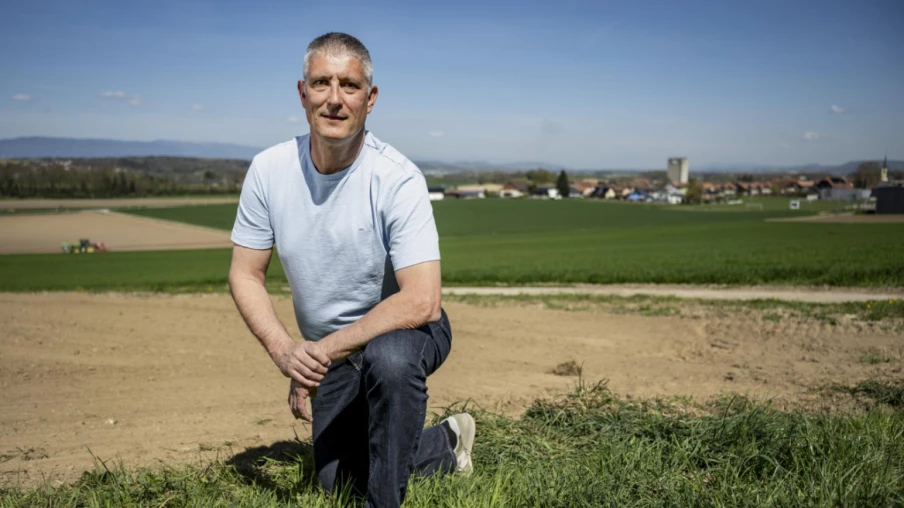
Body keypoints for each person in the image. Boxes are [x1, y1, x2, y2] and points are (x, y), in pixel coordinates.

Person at [227, 32, 475, 507]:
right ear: (303, 93)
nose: (335, 99)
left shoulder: (397, 178)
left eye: (350, 85)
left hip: (406, 328)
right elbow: (245, 273)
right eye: (322, 83)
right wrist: (287, 354)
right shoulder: (268, 170)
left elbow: (422, 300)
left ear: (371, 99)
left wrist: (319, 353)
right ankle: (445, 443)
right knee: (336, 480)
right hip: (334, 350)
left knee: (391, 359)